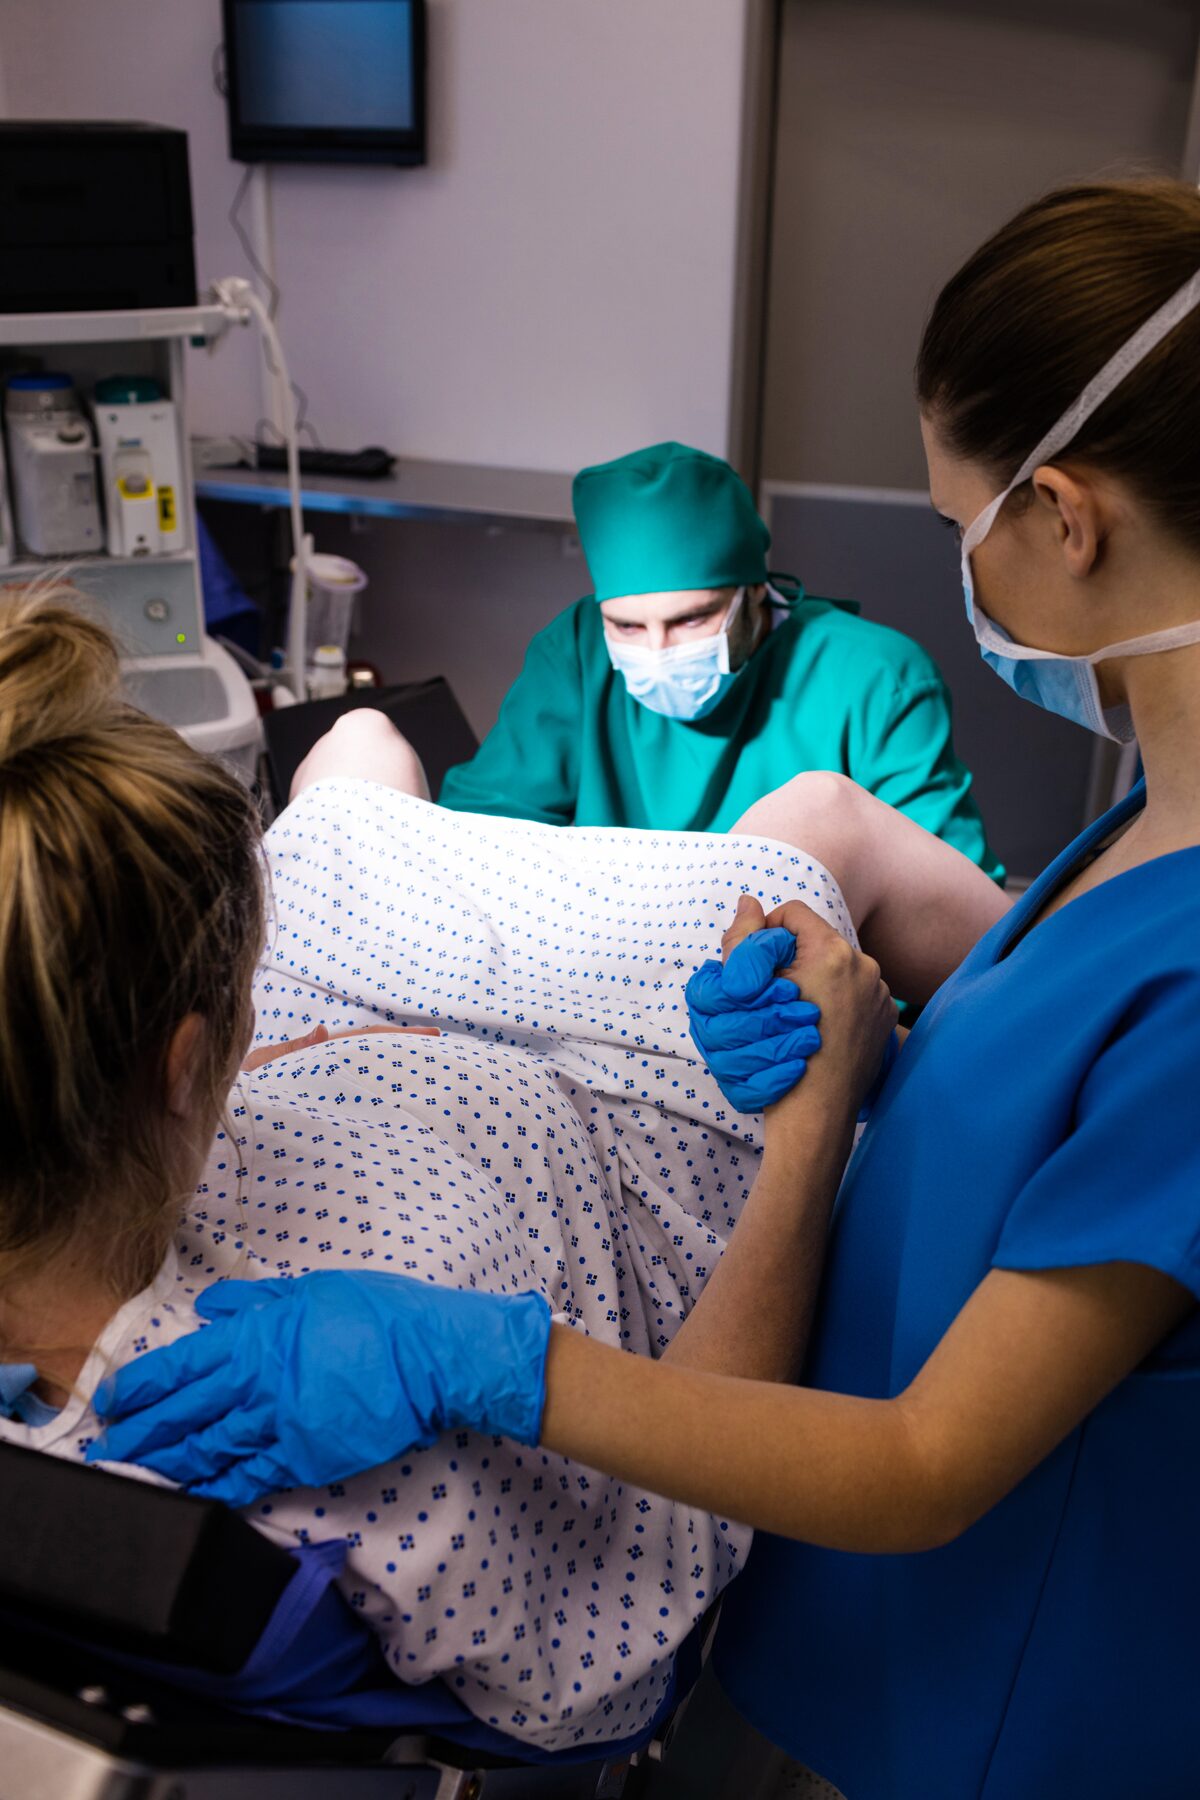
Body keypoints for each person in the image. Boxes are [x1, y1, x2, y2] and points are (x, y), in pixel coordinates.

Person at [107, 177, 1200, 1798]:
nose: (955, 571)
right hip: (811, 1633)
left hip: (981, 1721)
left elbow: (924, 1467)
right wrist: (852, 1055)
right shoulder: (1138, 821)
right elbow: (1044, 1140)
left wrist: (482, 1357)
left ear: (1063, 516)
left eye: (953, 520)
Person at [0, 587, 1003, 1752]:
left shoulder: (105, 1191)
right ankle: (1072, 1003)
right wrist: (819, 1120)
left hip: (372, 1030)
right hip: (604, 1124)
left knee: (358, 750)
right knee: (822, 829)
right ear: (182, 1066)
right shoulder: (305, 1441)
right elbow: (661, 1547)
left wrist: (289, 1042)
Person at [436, 440, 1002, 880]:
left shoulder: (877, 679)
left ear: (754, 591)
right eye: (628, 626)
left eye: (692, 620)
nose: (657, 655)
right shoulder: (576, 651)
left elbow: (951, 901)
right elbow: (478, 837)